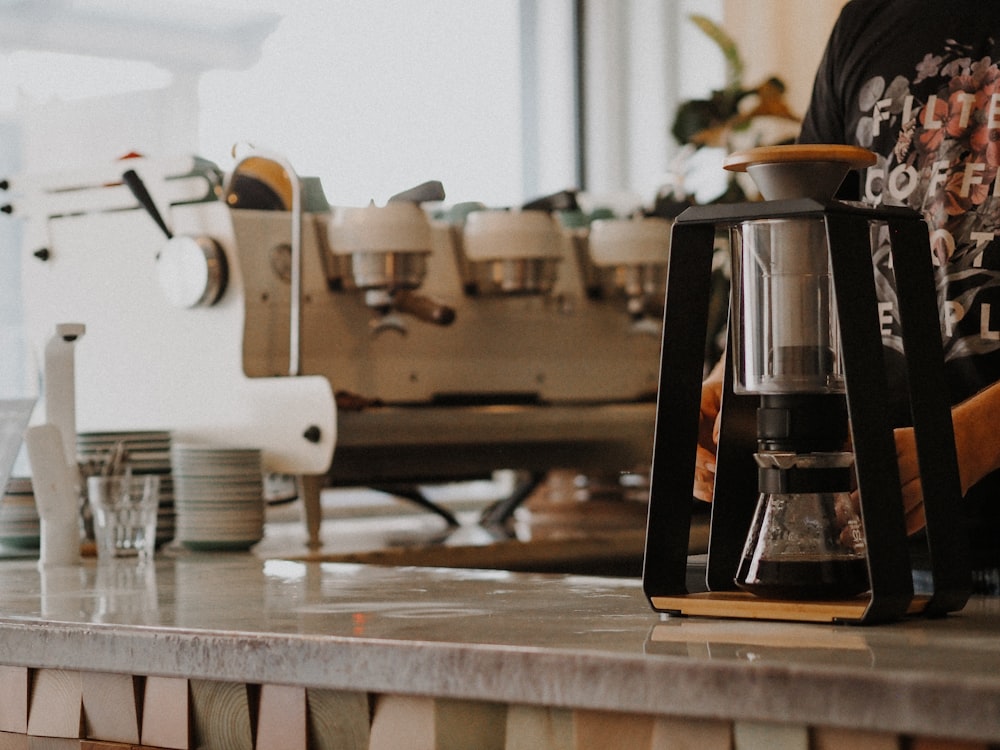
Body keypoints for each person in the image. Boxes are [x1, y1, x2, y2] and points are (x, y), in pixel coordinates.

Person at [695, 0, 1000, 588]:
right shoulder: (871, 16)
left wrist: (975, 439)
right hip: (876, 550)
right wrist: (730, 374)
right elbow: (810, 230)